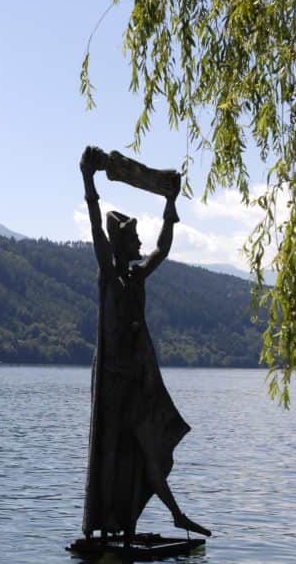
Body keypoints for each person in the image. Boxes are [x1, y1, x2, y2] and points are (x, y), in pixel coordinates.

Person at [80, 146, 211, 541]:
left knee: (146, 451)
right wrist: (88, 181)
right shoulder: (108, 275)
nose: (139, 242)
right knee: (117, 454)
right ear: (120, 245)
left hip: (137, 382)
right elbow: (95, 230)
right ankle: (126, 527)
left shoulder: (136, 279)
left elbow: (163, 249)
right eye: (133, 237)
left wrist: (171, 205)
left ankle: (164, 517)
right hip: (114, 385)